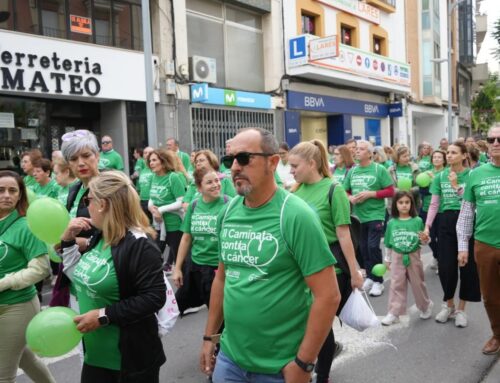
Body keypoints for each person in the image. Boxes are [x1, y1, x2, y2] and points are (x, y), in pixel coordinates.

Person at [200, 128, 340, 383]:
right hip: (230, 360)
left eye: (244, 158)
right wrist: (210, 336)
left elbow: (328, 295)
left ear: (273, 162)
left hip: (279, 368)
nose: (234, 167)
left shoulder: (296, 215)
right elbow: (222, 278)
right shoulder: (228, 211)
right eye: (229, 159)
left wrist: (303, 364)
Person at [60, 171, 166, 382]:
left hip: (129, 361)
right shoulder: (100, 235)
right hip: (94, 356)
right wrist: (68, 241)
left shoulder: (140, 245)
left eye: (87, 199)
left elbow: (154, 298)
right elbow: (81, 277)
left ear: (102, 204)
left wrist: (103, 315)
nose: (85, 206)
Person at [289, 139, 363, 383]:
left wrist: (354, 272)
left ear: (311, 163)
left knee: (321, 323)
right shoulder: (295, 190)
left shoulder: (334, 189)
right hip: (301, 266)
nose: (291, 171)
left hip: (330, 266)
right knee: (304, 321)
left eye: (294, 166)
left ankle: (322, 375)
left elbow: (343, 233)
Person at [0, 170, 55, 383]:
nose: (6, 195)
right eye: (1, 190)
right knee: (26, 359)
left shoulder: (26, 226)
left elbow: (41, 269)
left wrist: (4, 283)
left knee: (3, 374)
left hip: (18, 306)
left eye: (12, 190)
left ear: (20, 196)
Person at [424, 141, 481, 327]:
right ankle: (448, 304)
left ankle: (462, 310)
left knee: (467, 268)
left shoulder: (472, 175)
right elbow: (434, 204)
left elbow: (475, 201)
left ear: (464, 155)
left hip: (467, 221)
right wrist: (427, 226)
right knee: (446, 266)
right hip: (446, 221)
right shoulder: (440, 176)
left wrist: (456, 185)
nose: (449, 155)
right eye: (447, 152)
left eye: (454, 152)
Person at [457, 125, 500, 355]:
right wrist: (463, 246)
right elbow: (466, 213)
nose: (495, 143)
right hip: (484, 244)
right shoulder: (476, 174)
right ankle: (497, 335)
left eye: (499, 139)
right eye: (491, 139)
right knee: (491, 297)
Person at [173, 167, 231, 313]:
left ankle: (216, 335)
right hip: (196, 267)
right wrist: (178, 268)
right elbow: (186, 238)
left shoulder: (229, 204)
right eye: (209, 182)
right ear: (199, 188)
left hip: (219, 269)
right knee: (180, 305)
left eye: (217, 180)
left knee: (219, 312)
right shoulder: (194, 205)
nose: (216, 185)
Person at [343, 140, 395, 296]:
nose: (357, 151)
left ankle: (379, 281)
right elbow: (344, 191)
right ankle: (371, 278)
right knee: (363, 247)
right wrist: (350, 198)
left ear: (370, 154)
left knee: (373, 246)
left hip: (376, 214)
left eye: (361, 149)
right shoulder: (352, 171)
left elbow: (391, 191)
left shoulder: (379, 170)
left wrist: (371, 194)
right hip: (358, 217)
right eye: (356, 149)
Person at [381, 191, 433, 325]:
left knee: (418, 284)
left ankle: (425, 306)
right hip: (397, 257)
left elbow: (423, 241)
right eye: (400, 202)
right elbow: (387, 242)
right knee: (396, 284)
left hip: (413, 256)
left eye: (407, 202)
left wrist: (425, 239)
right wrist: (387, 258)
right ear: (395, 204)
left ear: (412, 204)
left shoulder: (417, 221)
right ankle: (393, 312)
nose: (404, 205)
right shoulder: (392, 223)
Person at [148, 148, 186, 272]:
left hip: (174, 225)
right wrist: (152, 208)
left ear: (163, 162)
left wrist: (161, 210)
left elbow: (180, 202)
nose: (151, 163)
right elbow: (151, 198)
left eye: (154, 160)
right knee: (154, 255)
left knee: (179, 259)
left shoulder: (173, 177)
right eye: (150, 161)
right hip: (158, 224)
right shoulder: (154, 177)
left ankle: (183, 283)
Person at [419, 150, 447, 271]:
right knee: (429, 236)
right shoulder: (426, 173)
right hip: (426, 208)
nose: (436, 159)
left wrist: (434, 178)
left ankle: (441, 261)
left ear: (444, 160)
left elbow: (444, 190)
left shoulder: (447, 173)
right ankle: (437, 256)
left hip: (442, 210)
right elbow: (422, 192)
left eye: (439, 157)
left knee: (441, 237)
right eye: (434, 157)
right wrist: (424, 184)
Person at [137, 147, 154, 219]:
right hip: (142, 200)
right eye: (145, 153)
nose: (147, 155)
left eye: (149, 153)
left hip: (152, 200)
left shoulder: (155, 169)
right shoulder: (143, 170)